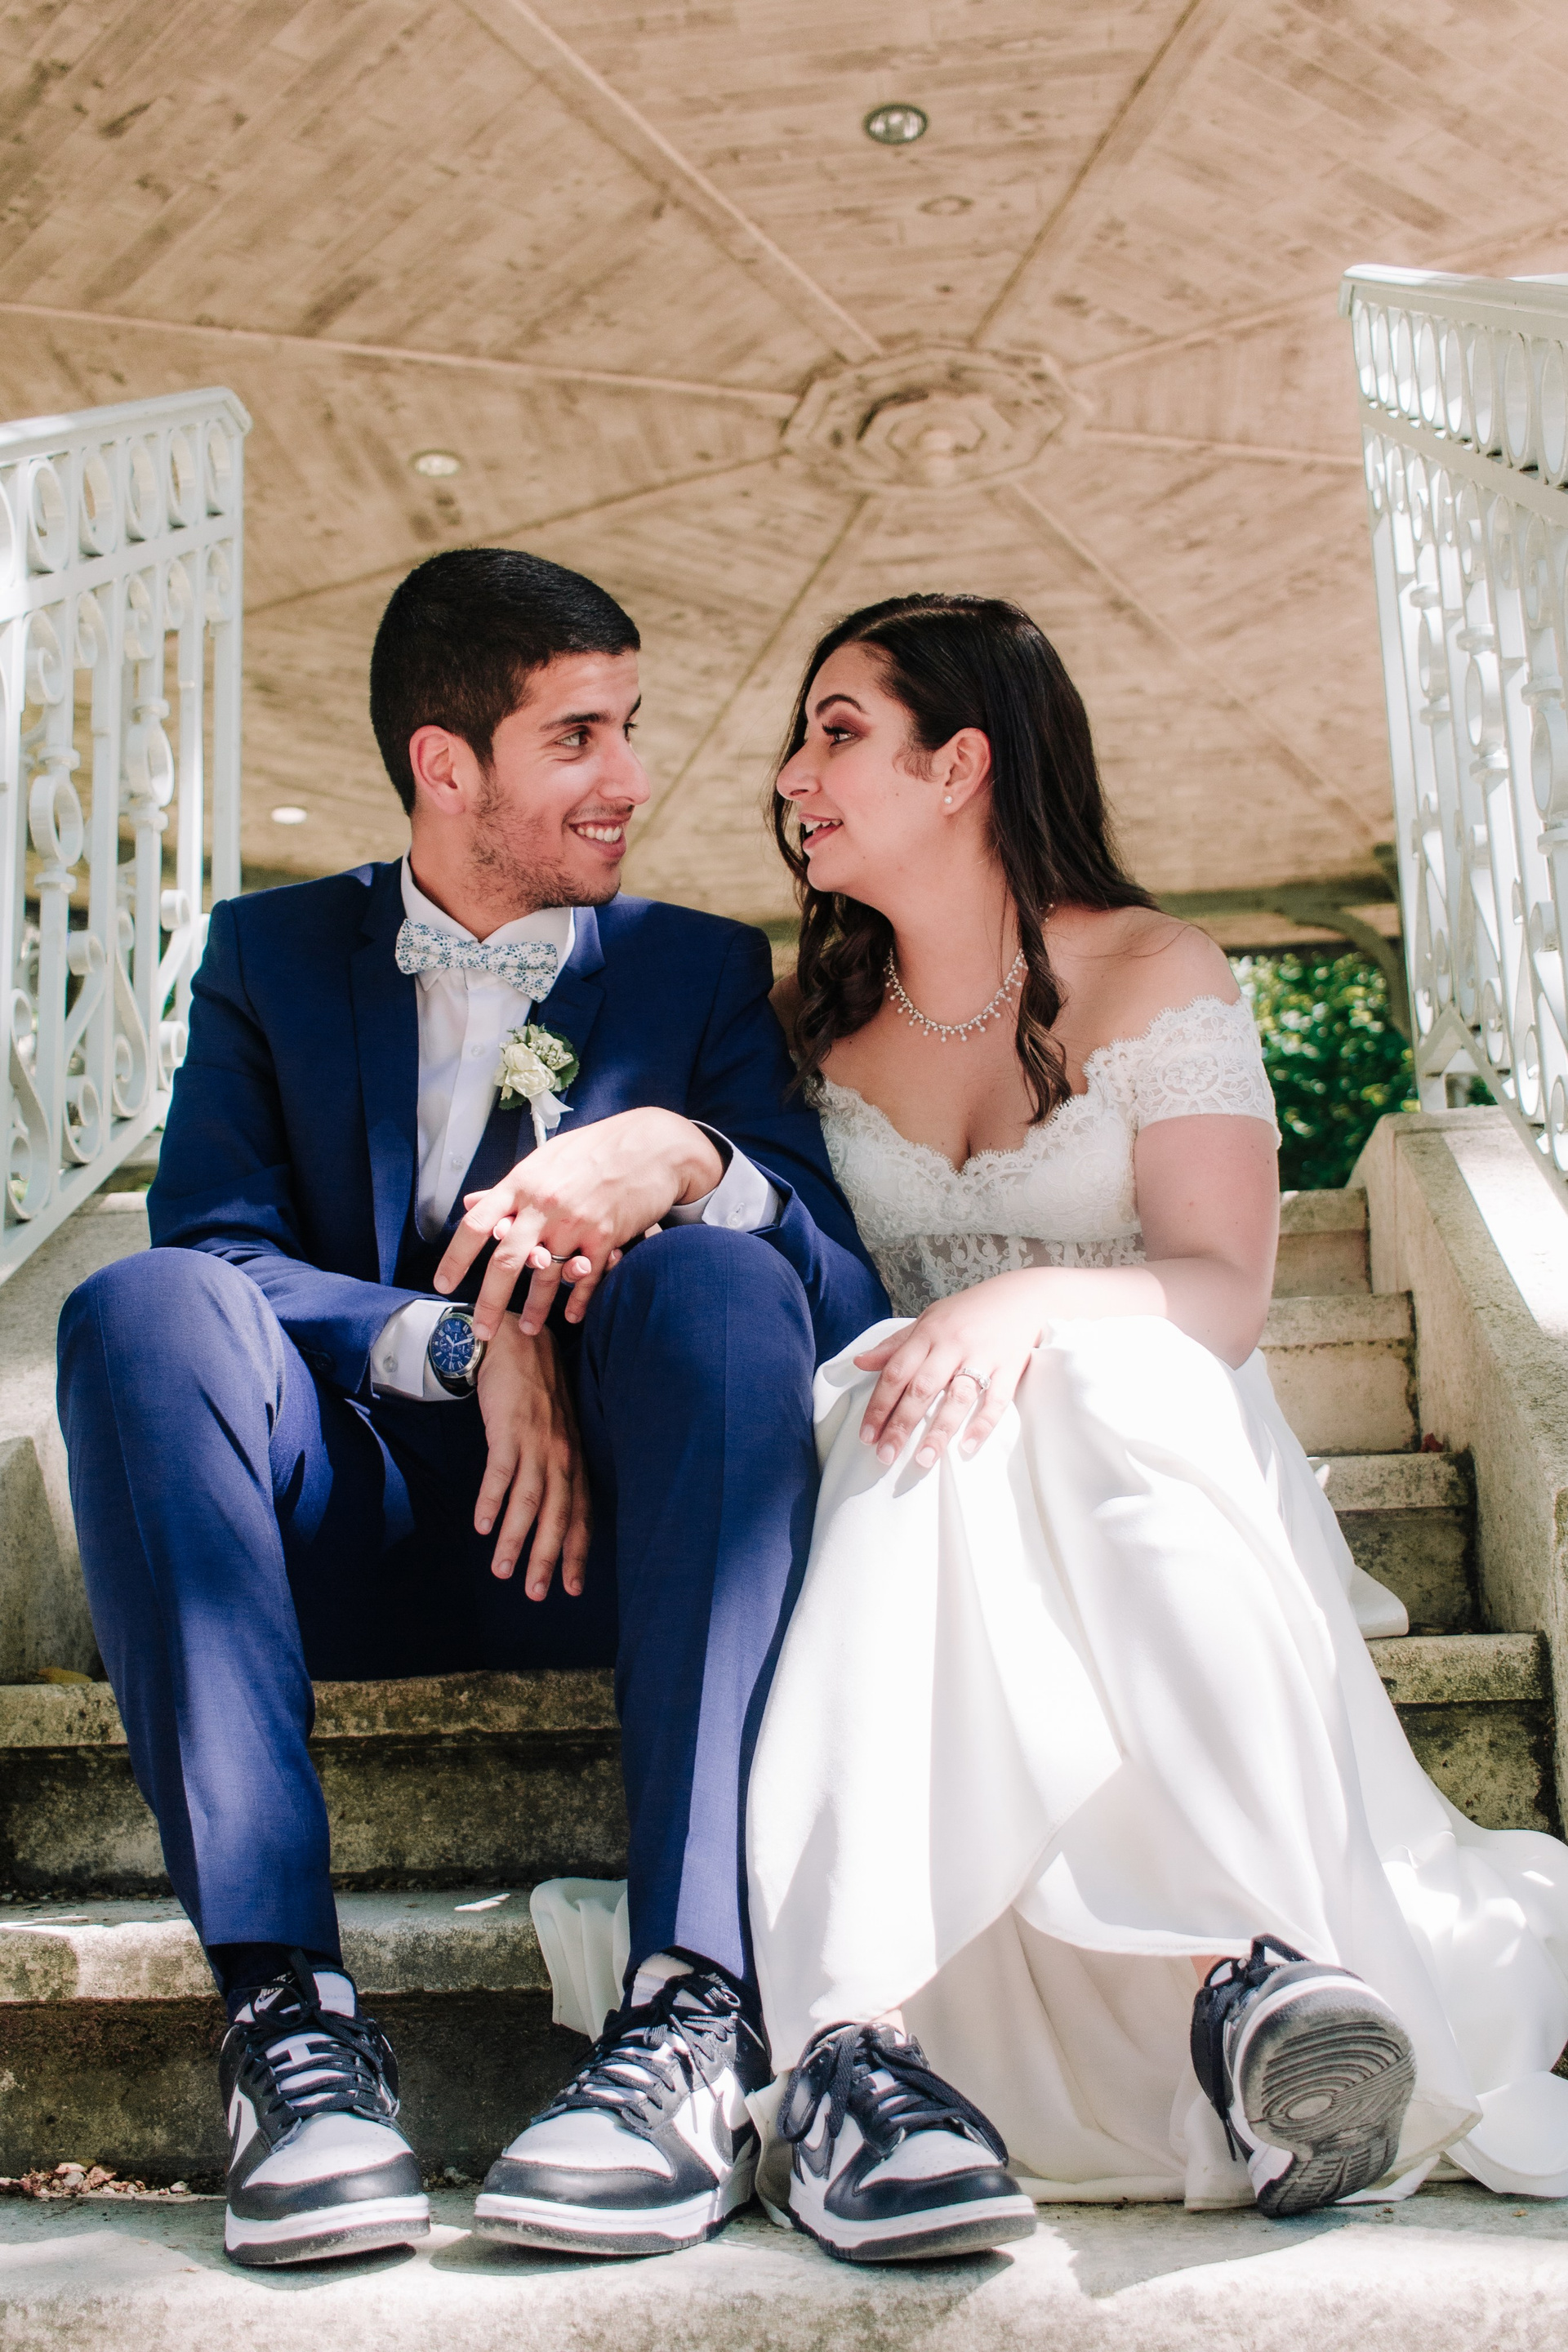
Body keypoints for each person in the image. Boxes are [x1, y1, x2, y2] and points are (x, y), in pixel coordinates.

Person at [55, 548, 886, 2268]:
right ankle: (289, 2030)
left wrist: (692, 1157)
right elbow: (217, 1244)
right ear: (448, 765)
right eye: (579, 735)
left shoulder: (697, 970)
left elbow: (842, 1296)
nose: (633, 775)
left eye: (631, 724)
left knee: (726, 1278)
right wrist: (459, 1345)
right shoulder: (271, 955)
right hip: (336, 1532)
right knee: (136, 1306)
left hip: (640, 1547)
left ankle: (692, 2005)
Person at [735, 590, 1568, 2260]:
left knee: (1098, 1375)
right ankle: (887, 2031)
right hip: (924, 1483)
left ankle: (1253, 1973)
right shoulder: (801, 1023)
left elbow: (1224, 1292)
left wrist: (1028, 1303)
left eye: (837, 730)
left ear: (961, 763)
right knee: (907, 1396)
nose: (790, 776)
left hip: (1148, 1448)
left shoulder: (1155, 970)